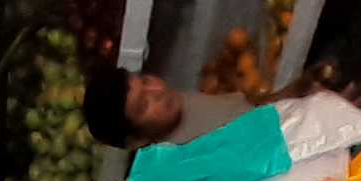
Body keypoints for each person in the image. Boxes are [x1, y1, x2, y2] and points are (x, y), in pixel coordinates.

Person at [83, 64, 250, 150]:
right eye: (144, 104)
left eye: (146, 81)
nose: (157, 91)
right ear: (137, 141)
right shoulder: (192, 157)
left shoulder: (182, 102)